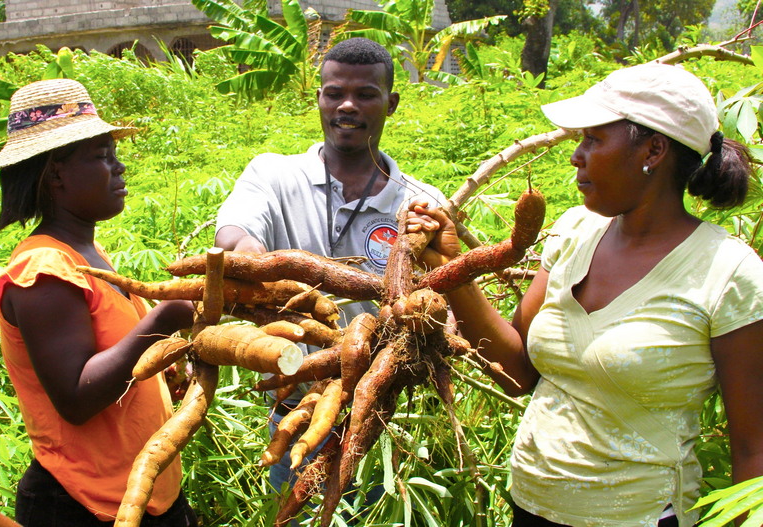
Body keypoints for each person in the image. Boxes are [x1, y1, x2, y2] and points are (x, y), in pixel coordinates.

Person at [407, 62, 763, 527]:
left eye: (593, 139)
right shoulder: (576, 231)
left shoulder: (728, 272)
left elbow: (754, 447)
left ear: (653, 149)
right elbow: (517, 371)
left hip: (642, 516)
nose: (577, 155)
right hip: (531, 506)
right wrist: (450, 268)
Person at [214, 37, 446, 497]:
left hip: (383, 420)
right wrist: (262, 268)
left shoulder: (420, 204)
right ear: (318, 98)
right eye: (334, 92)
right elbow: (234, 235)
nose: (347, 105)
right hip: (297, 413)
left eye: (365, 94)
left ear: (391, 103)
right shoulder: (272, 174)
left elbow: (441, 299)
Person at [0, 79, 198, 526]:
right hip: (82, 504)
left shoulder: (87, 255)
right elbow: (77, 397)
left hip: (143, 494)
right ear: (56, 174)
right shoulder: (42, 270)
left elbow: (116, 360)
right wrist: (166, 317)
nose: (119, 168)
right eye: (102, 156)